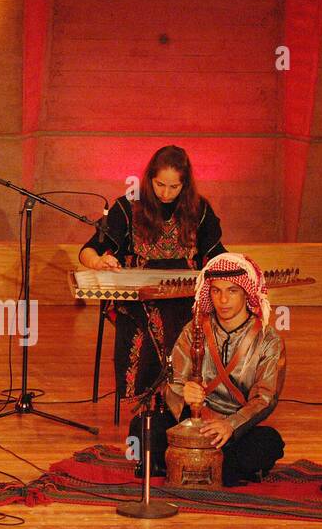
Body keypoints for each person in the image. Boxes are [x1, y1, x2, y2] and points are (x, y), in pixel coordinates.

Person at [78, 145, 226, 403]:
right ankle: (154, 397)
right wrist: (99, 261)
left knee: (195, 317)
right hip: (138, 294)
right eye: (159, 185)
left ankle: (191, 394)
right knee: (154, 320)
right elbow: (89, 250)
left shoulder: (198, 210)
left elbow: (215, 253)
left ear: (185, 185)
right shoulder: (127, 207)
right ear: (149, 179)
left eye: (173, 187)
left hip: (185, 292)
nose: (165, 193)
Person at [134, 252, 286, 486]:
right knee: (142, 426)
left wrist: (231, 424)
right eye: (216, 291)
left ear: (246, 293)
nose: (223, 300)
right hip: (193, 420)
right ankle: (214, 470)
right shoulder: (193, 329)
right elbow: (172, 379)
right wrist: (182, 392)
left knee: (269, 442)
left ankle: (178, 465)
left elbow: (265, 398)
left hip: (232, 430)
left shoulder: (268, 339)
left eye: (232, 291)